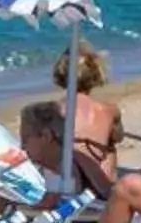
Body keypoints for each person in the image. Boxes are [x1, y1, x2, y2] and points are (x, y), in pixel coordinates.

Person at [52, 49, 122, 180]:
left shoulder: (50, 110)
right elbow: (119, 137)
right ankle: (109, 184)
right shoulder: (109, 109)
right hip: (93, 179)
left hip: (61, 178)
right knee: (110, 146)